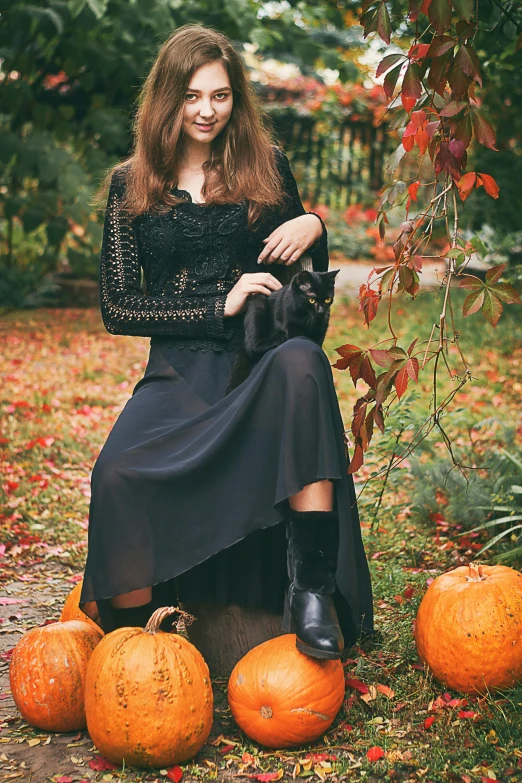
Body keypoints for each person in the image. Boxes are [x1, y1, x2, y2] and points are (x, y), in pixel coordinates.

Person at [79, 22, 375, 660]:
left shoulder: (266, 169)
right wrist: (221, 300)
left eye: (220, 95)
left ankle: (312, 589)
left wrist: (312, 225)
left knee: (302, 360)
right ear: (167, 100)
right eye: (191, 96)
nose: (207, 110)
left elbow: (304, 303)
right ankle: (136, 650)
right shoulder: (130, 183)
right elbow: (119, 305)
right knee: (117, 475)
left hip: (258, 364)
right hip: (179, 374)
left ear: (236, 99)